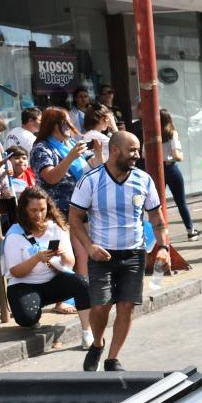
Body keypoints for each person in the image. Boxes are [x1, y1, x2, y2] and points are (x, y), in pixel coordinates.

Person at [69, 131, 171, 372]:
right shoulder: (91, 180)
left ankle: (112, 359)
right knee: (100, 307)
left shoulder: (144, 180)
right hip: (101, 254)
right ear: (114, 150)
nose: (137, 155)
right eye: (132, 150)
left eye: (138, 150)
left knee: (126, 307)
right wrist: (89, 246)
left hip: (134, 254)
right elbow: (74, 218)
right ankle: (97, 343)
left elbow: (156, 216)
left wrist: (163, 247)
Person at [3, 186, 94, 348]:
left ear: (48, 208)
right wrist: (37, 258)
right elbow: (15, 271)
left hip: (51, 283)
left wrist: (62, 255)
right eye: (33, 210)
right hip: (23, 285)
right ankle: (34, 313)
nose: (38, 215)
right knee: (27, 318)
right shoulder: (14, 234)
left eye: (42, 210)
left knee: (81, 282)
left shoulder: (56, 228)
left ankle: (87, 332)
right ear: (24, 210)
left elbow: (70, 264)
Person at [32, 107, 93, 304]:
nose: (69, 126)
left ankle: (82, 294)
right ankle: (61, 301)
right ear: (53, 125)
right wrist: (70, 158)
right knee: (62, 257)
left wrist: (98, 154)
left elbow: (89, 170)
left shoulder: (69, 144)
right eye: (64, 122)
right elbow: (50, 177)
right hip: (55, 210)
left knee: (82, 253)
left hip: (78, 208)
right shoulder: (42, 148)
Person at [159, 108, 202, 241]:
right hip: (171, 168)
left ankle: (159, 234)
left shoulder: (150, 134)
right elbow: (176, 156)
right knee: (181, 202)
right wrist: (182, 155)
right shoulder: (171, 133)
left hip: (158, 169)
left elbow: (144, 154)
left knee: (157, 204)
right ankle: (191, 231)